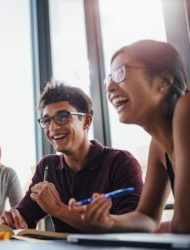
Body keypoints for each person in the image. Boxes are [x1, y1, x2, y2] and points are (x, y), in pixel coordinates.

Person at [69, 40, 190, 234]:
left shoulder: (187, 106)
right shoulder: (158, 147)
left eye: (120, 73)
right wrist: (109, 222)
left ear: (164, 80)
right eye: (108, 80)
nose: (109, 89)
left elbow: (184, 226)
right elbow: (148, 218)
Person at [0, 82, 143, 233]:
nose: (53, 128)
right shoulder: (47, 167)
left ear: (86, 121)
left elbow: (133, 227)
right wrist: (14, 219)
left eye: (62, 117)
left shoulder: (121, 162)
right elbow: (26, 214)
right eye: (47, 121)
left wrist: (59, 209)